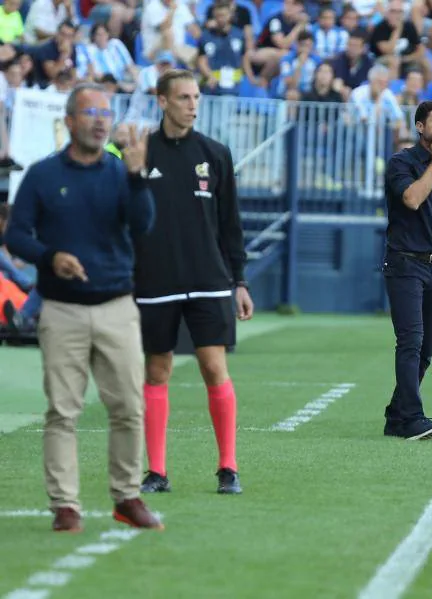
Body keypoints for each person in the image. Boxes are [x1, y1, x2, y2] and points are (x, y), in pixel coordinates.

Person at [4, 82, 162, 532]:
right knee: (62, 412)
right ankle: (65, 506)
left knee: (129, 408)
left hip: (117, 307)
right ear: (69, 122)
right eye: (89, 112)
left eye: (105, 112)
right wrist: (50, 257)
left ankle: (127, 497)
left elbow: (144, 225)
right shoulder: (42, 175)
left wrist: (138, 176)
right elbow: (16, 236)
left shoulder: (121, 171)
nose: (99, 119)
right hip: (61, 310)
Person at [136, 69, 253, 496]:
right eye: (183, 97)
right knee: (157, 369)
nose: (192, 104)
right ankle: (156, 472)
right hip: (154, 280)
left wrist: (239, 280)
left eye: (196, 97)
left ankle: (228, 467)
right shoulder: (139, 152)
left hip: (209, 280)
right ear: (162, 101)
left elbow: (231, 225)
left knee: (213, 366)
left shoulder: (216, 153)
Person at [382, 98, 432, 441]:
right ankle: (412, 417)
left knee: (426, 349)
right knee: (410, 342)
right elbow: (412, 199)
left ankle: (397, 415)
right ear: (420, 127)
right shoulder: (401, 163)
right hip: (406, 265)